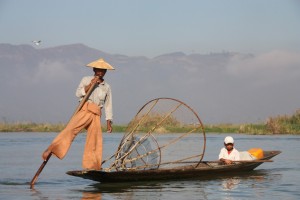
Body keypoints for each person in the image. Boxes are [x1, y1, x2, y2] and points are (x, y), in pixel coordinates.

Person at [42, 58, 114, 170]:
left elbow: (108, 105)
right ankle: (51, 149)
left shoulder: (106, 86)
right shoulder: (86, 79)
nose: (100, 73)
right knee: (70, 129)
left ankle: (92, 166)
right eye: (98, 70)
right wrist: (90, 85)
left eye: (103, 71)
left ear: (105, 72)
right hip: (85, 109)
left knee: (95, 140)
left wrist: (109, 122)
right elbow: (78, 93)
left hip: (96, 114)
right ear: (94, 70)